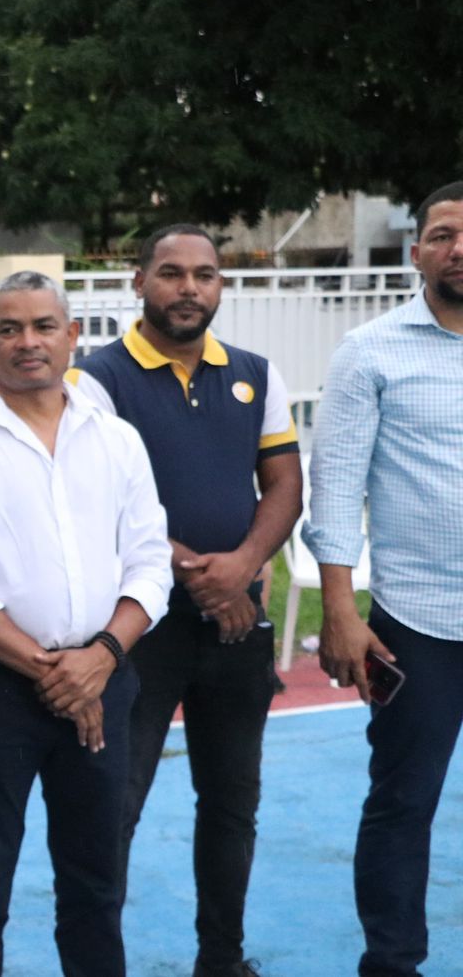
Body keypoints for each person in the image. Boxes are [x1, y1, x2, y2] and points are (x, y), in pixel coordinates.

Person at [0, 270, 172, 977]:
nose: (27, 342)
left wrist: (100, 660)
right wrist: (58, 673)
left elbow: (150, 565)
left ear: (72, 336)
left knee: (96, 881)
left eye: (42, 326)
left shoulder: (117, 440)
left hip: (104, 679)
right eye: (9, 329)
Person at [71, 225, 302, 977]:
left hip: (237, 626)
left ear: (220, 286)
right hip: (140, 630)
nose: (188, 288)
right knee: (117, 805)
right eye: (171, 273)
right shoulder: (96, 379)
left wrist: (244, 566)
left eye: (204, 275)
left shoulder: (255, 374)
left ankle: (221, 960)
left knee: (232, 805)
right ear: (138, 281)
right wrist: (206, 578)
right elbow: (100, 501)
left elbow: (284, 484)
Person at [305, 179, 463, 977]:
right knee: (403, 802)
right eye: (442, 236)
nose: (458, 250)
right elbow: (336, 483)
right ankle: (393, 963)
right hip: (418, 620)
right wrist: (340, 608)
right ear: (416, 253)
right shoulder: (370, 350)